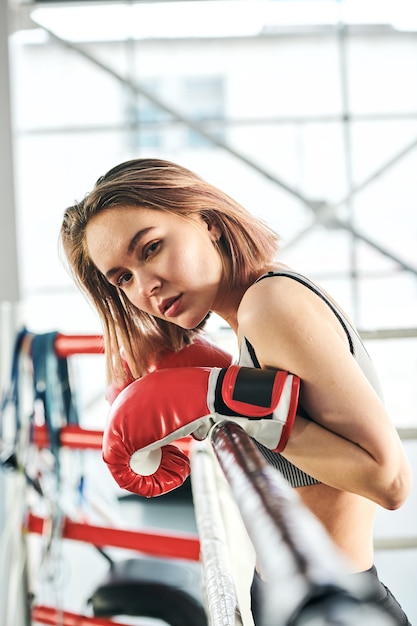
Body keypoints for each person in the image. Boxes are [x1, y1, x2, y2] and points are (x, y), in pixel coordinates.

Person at [60, 158, 413, 625]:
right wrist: (228, 396)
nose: (146, 286)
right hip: (289, 597)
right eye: (122, 278)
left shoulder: (270, 304)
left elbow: (389, 482)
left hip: (330, 608)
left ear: (207, 222)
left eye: (151, 248)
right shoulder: (254, 314)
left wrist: (223, 399)